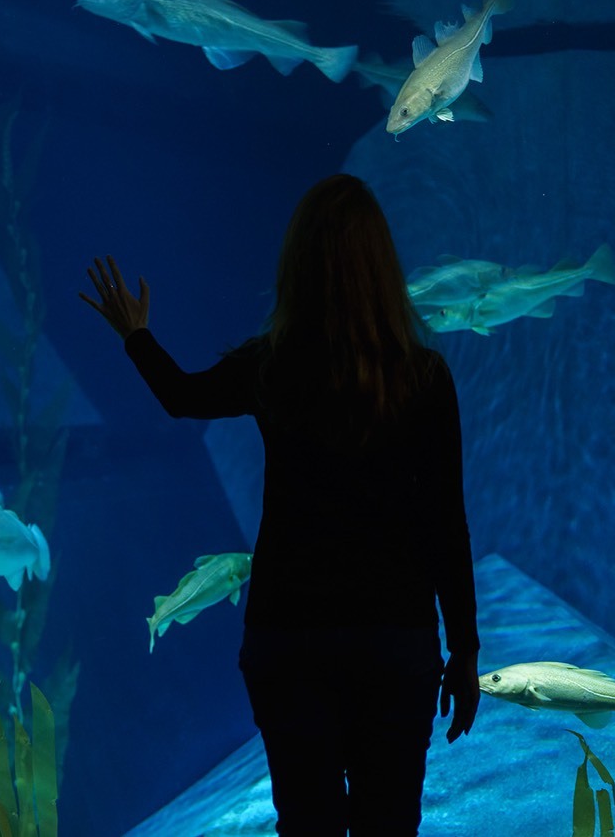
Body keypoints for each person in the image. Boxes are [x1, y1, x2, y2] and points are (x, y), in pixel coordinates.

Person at [80, 174, 480, 836]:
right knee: (390, 827)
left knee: (306, 825)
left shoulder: (272, 366)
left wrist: (136, 335)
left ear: (297, 267)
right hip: (395, 645)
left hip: (289, 646)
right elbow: (446, 524)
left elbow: (182, 397)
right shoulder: (424, 376)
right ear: (383, 266)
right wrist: (463, 650)